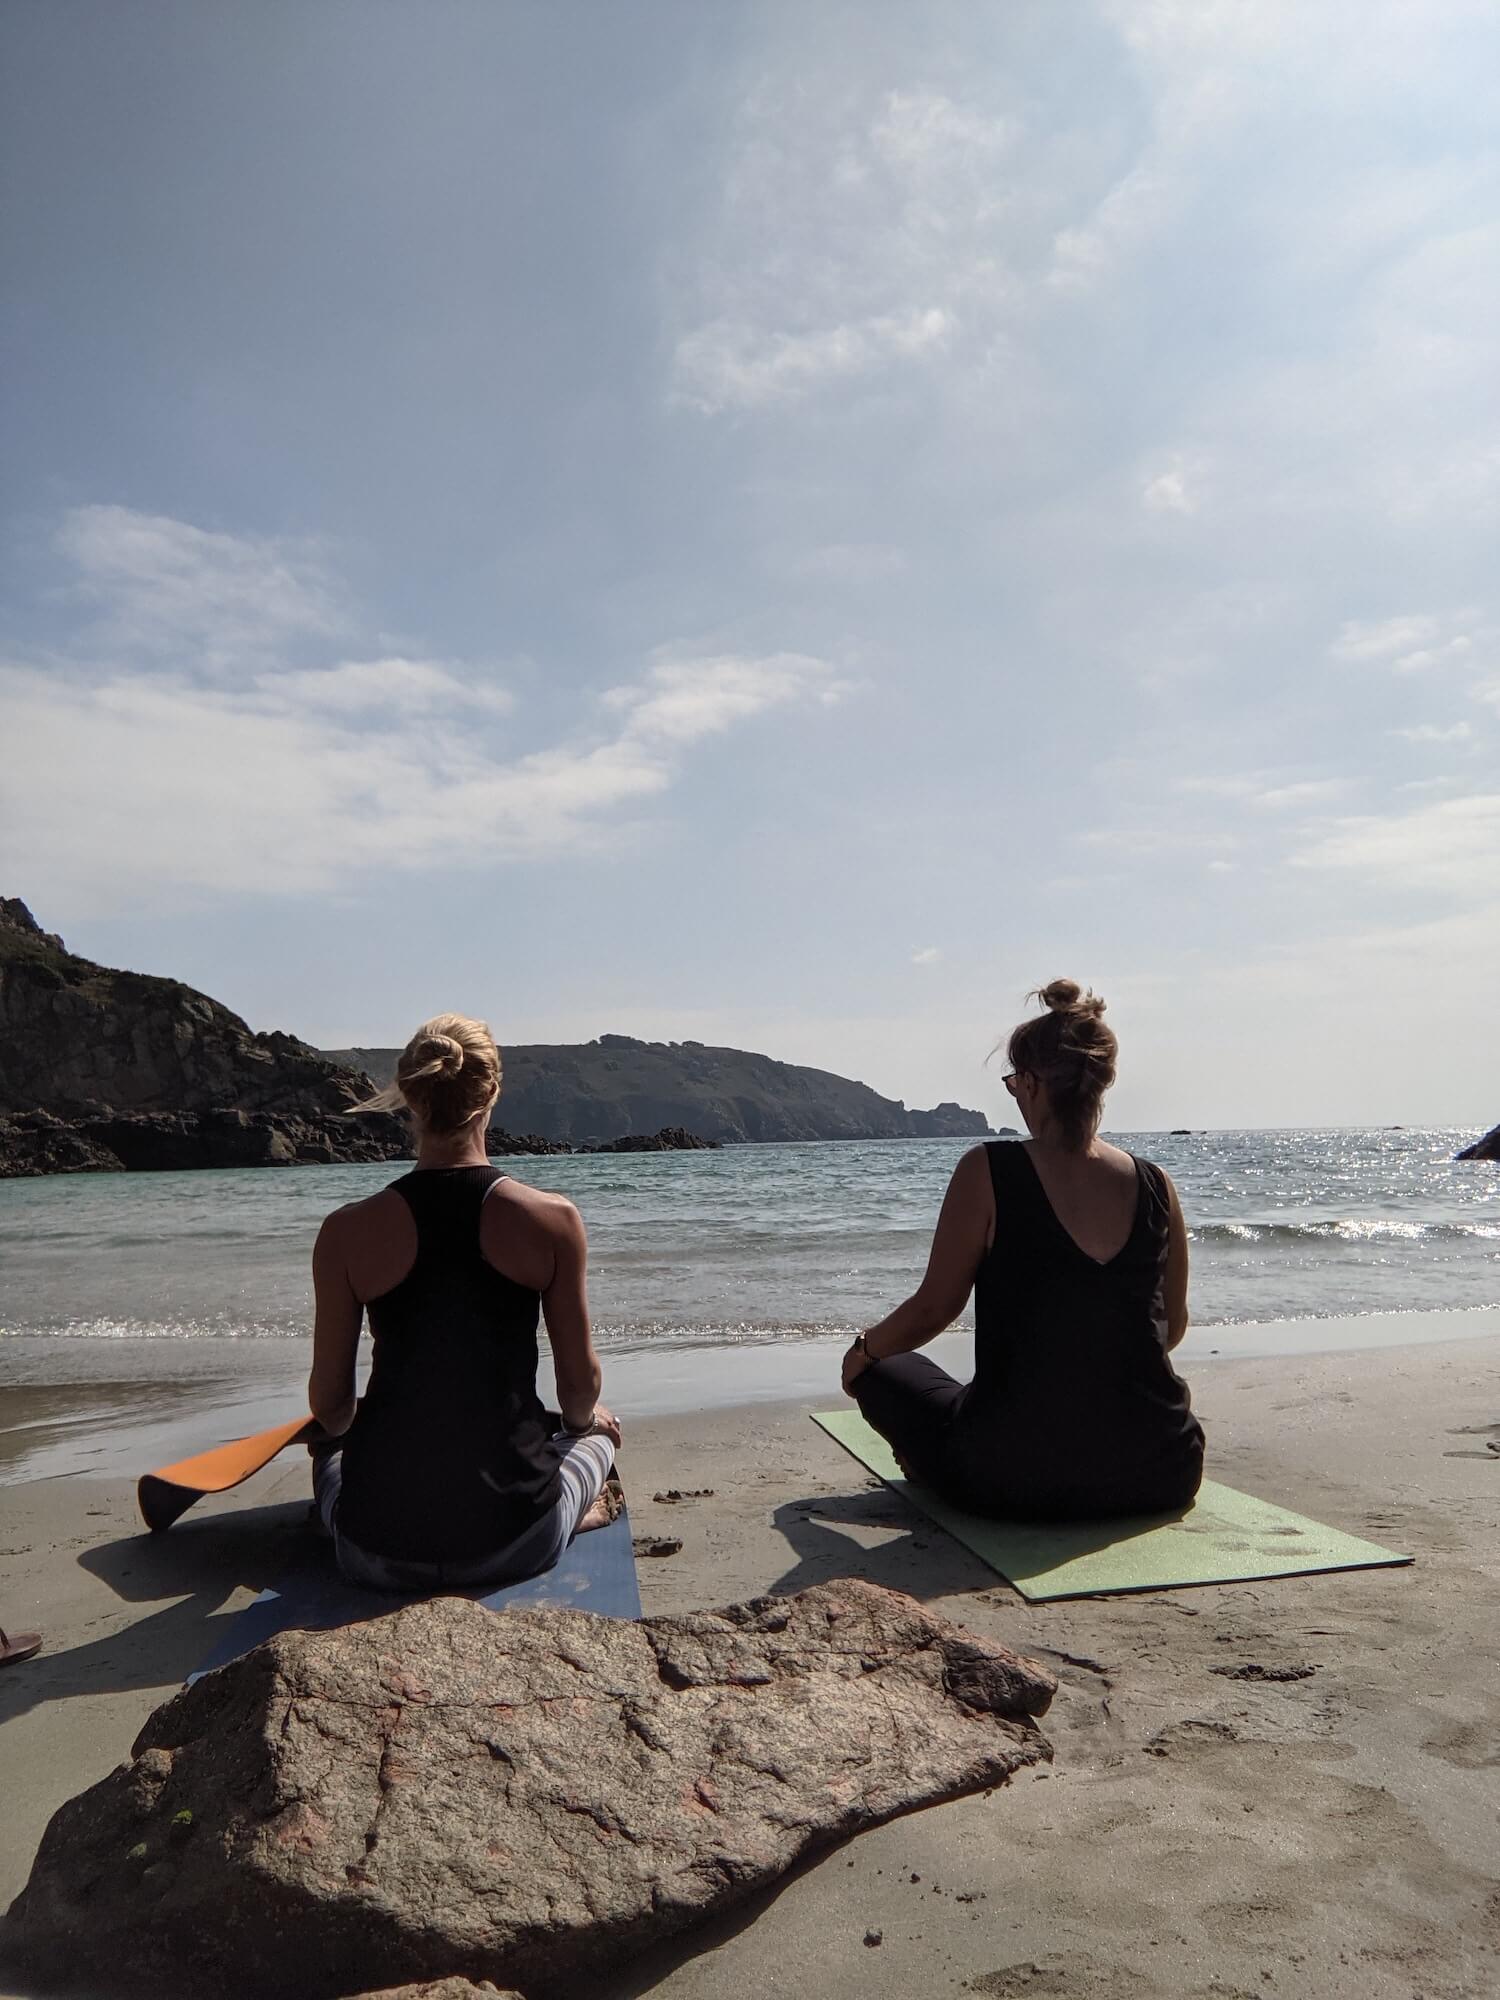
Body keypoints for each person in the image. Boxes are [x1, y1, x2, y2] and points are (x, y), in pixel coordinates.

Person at [842, 980, 1203, 1520]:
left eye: (1014, 1083)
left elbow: (933, 1309)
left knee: (885, 1369)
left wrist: (864, 1351)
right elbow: (1170, 1328)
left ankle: (929, 1452)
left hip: (1011, 1479)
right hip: (1163, 1468)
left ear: (1032, 1083)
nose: (1015, 1094)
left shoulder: (988, 1170)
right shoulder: (1156, 1184)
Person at [307, 1014, 621, 1590]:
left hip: (374, 1550)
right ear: (492, 1093)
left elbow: (332, 1410)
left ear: (410, 1098)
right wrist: (585, 1423)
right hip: (516, 1540)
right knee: (598, 1435)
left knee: (328, 1455)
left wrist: (348, 1434)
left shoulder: (345, 1232)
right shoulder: (552, 1220)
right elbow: (579, 1392)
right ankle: (577, 1509)